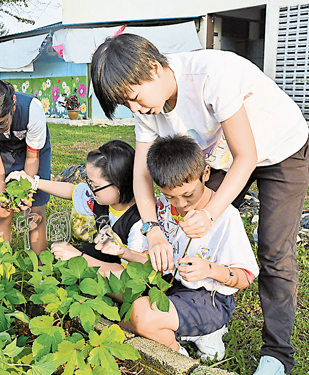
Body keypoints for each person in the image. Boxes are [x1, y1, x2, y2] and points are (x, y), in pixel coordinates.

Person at [91, 33, 308, 375]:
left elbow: (246, 155)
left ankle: (277, 355)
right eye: (126, 105)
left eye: (133, 97)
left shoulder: (210, 76)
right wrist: (152, 230)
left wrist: (210, 213)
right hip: (221, 154)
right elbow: (142, 177)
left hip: (280, 147)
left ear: (152, 67)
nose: (135, 109)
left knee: (273, 249)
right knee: (184, 215)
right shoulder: (148, 109)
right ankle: (196, 309)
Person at [94, 135, 259, 360]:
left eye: (188, 194)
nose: (180, 205)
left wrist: (209, 269)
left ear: (206, 174)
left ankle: (179, 352)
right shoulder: (159, 210)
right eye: (169, 196)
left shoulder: (225, 216)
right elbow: (155, 263)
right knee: (104, 280)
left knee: (139, 315)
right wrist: (122, 251)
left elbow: (245, 277)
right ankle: (184, 331)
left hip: (209, 299)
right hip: (168, 287)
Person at [7, 140, 146, 272]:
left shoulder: (138, 222)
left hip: (126, 273)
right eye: (90, 183)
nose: (90, 189)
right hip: (107, 257)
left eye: (95, 185)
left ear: (118, 185)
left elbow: (129, 273)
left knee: (75, 260)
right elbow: (71, 191)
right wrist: (33, 182)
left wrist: (78, 257)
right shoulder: (101, 198)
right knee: (69, 260)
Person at [0, 77, 51, 256]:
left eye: (0, 123)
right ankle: (1, 265)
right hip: (3, 153)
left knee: (35, 211)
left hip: (34, 152)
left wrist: (25, 192)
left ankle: (41, 269)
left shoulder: (32, 109)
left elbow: (32, 157)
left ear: (12, 106)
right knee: (2, 211)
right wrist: (3, 195)